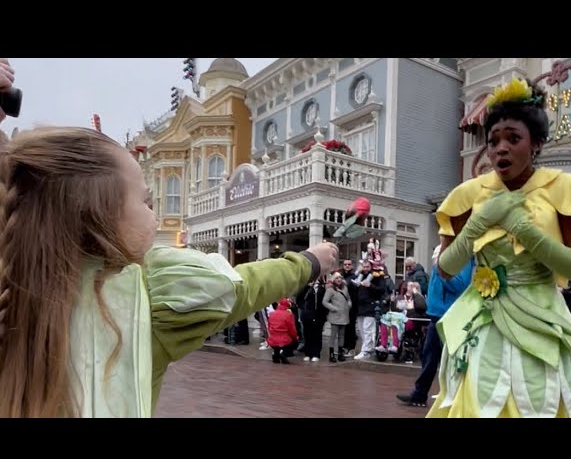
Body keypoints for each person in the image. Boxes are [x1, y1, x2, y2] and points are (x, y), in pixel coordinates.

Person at [0, 126, 338, 417]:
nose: (154, 213)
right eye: (146, 202)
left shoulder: (11, 288)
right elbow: (247, 286)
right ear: (102, 218)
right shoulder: (150, 297)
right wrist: (309, 261)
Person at [426, 77, 571, 418]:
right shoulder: (468, 194)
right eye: (494, 140)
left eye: (513, 138)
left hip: (542, 318)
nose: (500, 148)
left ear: (536, 144)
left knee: (543, 398)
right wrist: (477, 225)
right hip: (483, 324)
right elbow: (446, 268)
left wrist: (526, 231)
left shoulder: (565, 187)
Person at [396, 246, 473, 407]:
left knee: (452, 360)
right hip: (437, 316)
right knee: (429, 358)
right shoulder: (449, 259)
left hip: (450, 317)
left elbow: (459, 285)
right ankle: (419, 394)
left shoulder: (463, 258)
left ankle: (455, 395)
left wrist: (440, 268)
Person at [267, 298, 299, 364]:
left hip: (272, 339)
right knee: (294, 342)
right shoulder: (288, 315)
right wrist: (295, 338)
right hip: (284, 339)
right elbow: (292, 329)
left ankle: (275, 353)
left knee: (277, 343)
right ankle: (283, 353)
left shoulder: (272, 314)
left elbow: (269, 326)